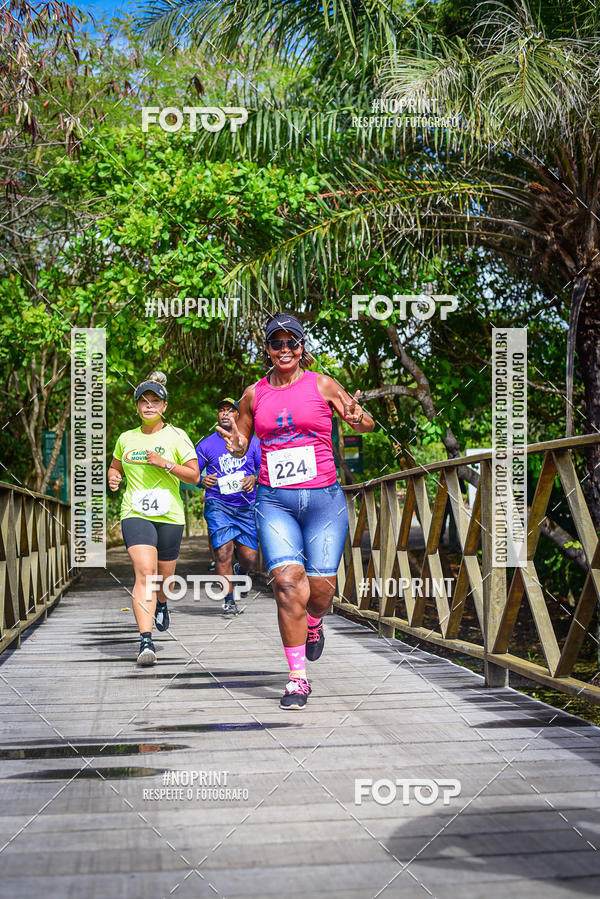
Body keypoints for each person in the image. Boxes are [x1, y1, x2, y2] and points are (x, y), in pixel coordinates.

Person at [217, 313, 375, 709]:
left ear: (302, 347)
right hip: (275, 501)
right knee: (288, 585)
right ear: (268, 349)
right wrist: (237, 447)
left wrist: (358, 418)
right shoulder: (253, 394)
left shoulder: (322, 384)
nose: (285, 349)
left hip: (324, 501)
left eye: (292, 342)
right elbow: (242, 441)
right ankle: (297, 679)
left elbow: (366, 424)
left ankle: (315, 623)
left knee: (320, 593)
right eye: (277, 343)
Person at [108, 372, 200, 665]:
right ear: (136, 406)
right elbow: (115, 466)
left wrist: (165, 463)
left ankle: (162, 603)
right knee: (145, 573)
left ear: (164, 406)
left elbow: (195, 476)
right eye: (144, 401)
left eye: (155, 401)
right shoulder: (126, 438)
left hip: (169, 515)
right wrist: (113, 476)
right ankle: (145, 641)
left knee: (164, 579)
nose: (149, 406)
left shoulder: (177, 436)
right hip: (135, 512)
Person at [196, 398, 261, 616]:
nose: (225, 413)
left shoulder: (252, 441)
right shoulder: (206, 445)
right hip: (218, 504)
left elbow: (264, 468)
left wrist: (254, 477)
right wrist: (201, 480)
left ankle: (241, 572)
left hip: (246, 505)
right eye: (221, 410)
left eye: (231, 410)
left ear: (238, 415)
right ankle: (229, 599)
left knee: (250, 559)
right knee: (223, 552)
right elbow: (193, 472)